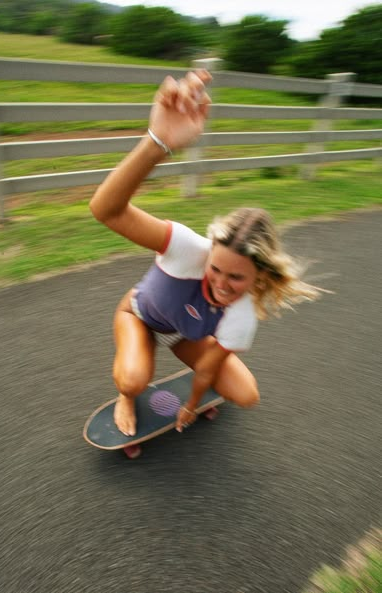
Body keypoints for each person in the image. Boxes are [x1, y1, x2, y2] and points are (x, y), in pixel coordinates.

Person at [89, 70, 322, 436]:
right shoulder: (187, 247)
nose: (221, 284)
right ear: (209, 251)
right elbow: (107, 211)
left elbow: (209, 368)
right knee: (133, 381)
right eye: (216, 269)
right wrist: (157, 143)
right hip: (140, 314)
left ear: (259, 276)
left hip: (190, 333)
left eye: (237, 277)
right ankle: (126, 394)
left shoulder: (242, 315)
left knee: (246, 396)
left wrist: (191, 405)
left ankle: (180, 350)